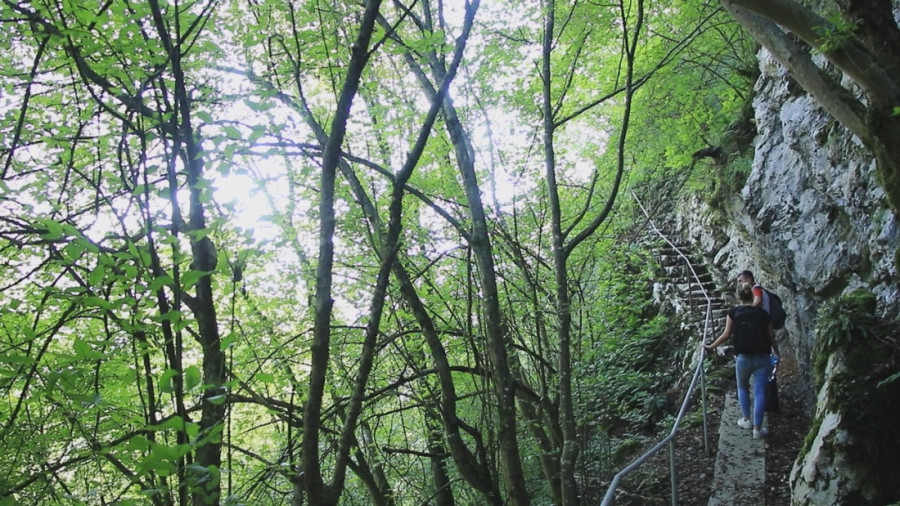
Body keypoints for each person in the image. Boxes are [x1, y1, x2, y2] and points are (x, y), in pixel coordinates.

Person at [704, 282, 778, 438]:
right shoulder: (764, 314)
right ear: (752, 297)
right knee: (759, 393)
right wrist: (777, 352)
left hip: (743, 357)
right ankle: (757, 430)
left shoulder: (734, 313)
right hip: (762, 357)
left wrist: (711, 346)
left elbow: (726, 335)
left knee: (742, 388)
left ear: (738, 297)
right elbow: (771, 335)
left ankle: (746, 420)